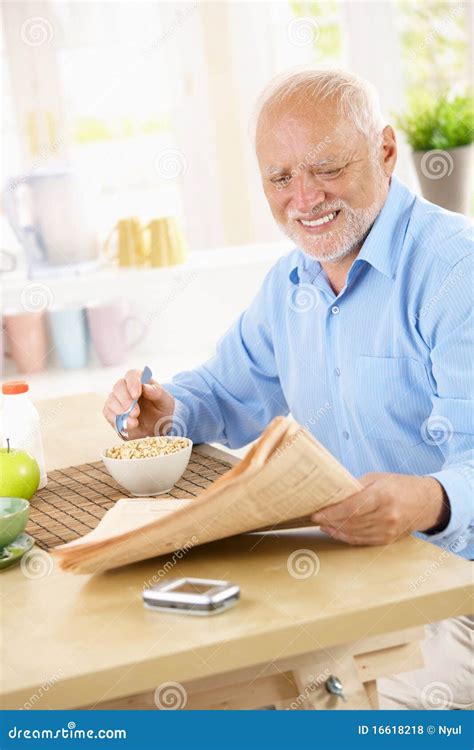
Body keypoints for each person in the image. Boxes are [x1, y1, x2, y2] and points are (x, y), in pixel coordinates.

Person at [103, 68, 473, 709]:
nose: (304, 199)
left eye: (326, 168)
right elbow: (224, 390)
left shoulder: (455, 271)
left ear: (385, 151)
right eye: (280, 178)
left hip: (455, 595)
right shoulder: (292, 283)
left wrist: (430, 501)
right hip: (351, 581)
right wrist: (170, 412)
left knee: (308, 710)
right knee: (175, 690)